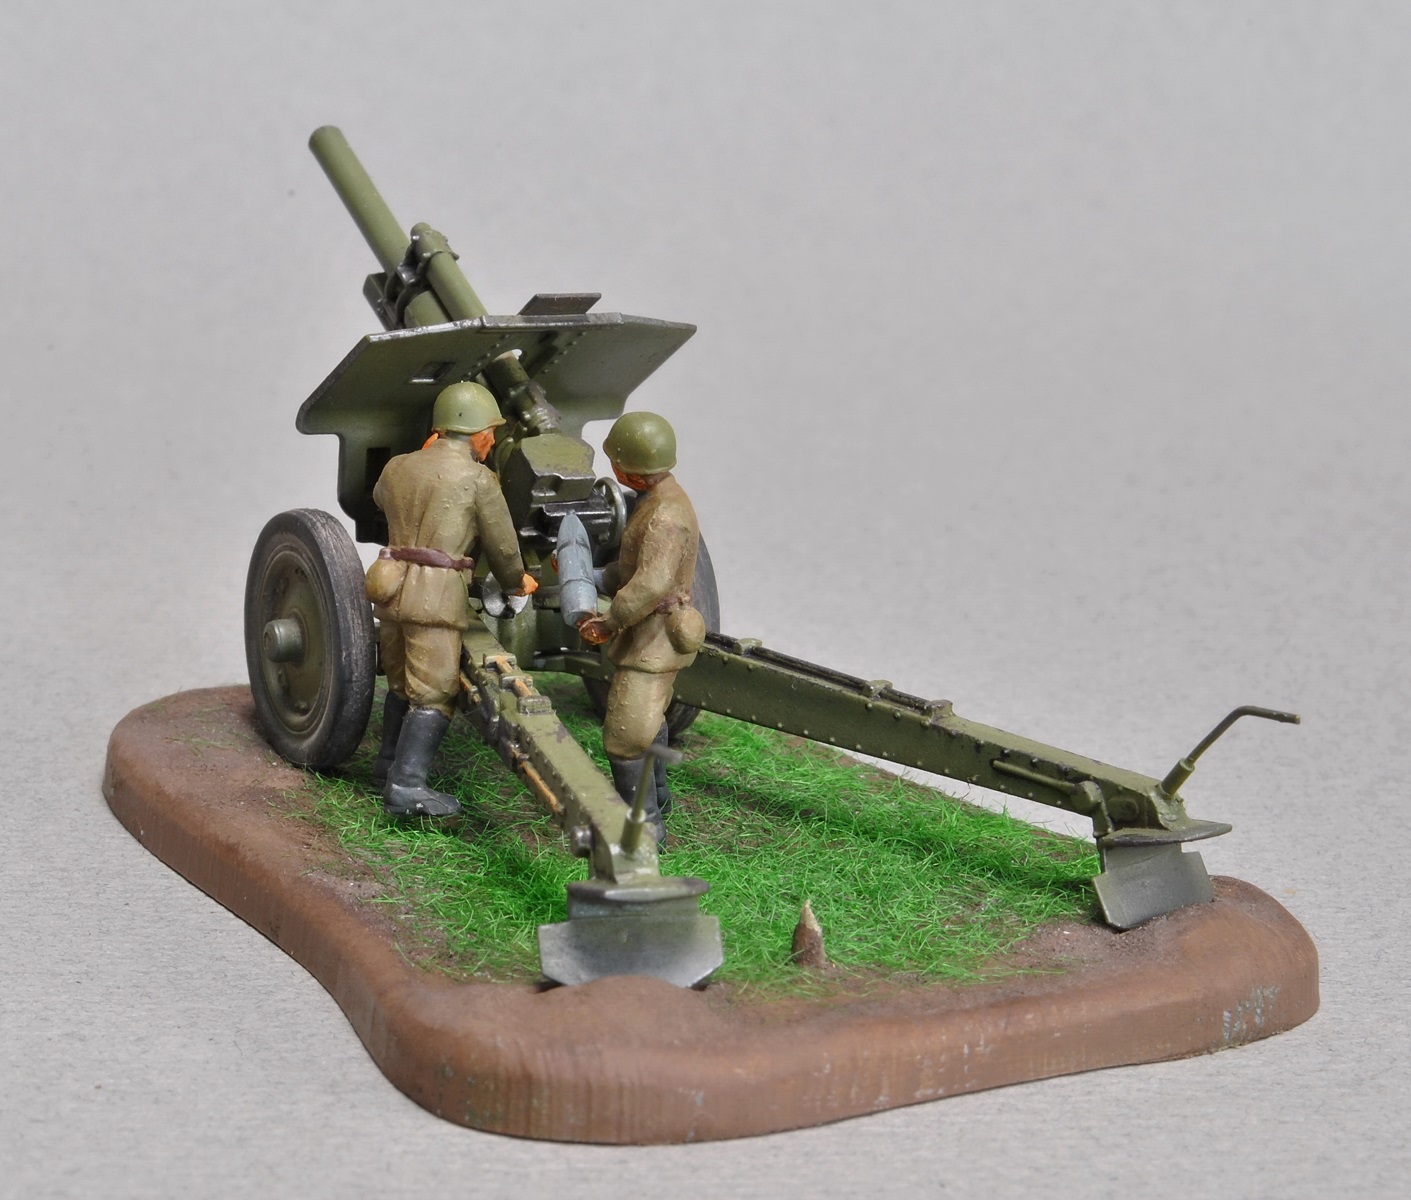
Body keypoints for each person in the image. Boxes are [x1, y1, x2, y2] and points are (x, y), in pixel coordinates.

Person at [367, 381, 536, 817]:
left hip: (390, 587)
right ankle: (406, 787)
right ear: (477, 433)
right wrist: (517, 582)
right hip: (436, 598)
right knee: (434, 692)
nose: (492, 441)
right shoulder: (479, 479)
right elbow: (502, 546)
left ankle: (387, 764)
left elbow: (380, 499)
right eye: (490, 433)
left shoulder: (397, 467)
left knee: (400, 681)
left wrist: (424, 457)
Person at [577, 412, 704, 845]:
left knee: (625, 736)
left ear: (629, 469)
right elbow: (633, 569)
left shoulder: (665, 515)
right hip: (651, 631)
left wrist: (609, 621)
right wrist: (595, 576)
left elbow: (650, 584)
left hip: (653, 639)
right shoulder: (657, 500)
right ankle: (659, 799)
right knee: (650, 721)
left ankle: (644, 829)